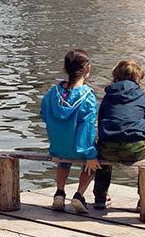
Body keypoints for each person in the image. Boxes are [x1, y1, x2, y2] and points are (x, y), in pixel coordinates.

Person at [40, 49, 100, 212]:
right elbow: (87, 129)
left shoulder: (52, 94)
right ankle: (79, 195)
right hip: (80, 150)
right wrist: (91, 155)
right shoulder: (88, 96)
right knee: (92, 163)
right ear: (87, 68)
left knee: (63, 161)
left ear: (65, 69)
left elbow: (44, 114)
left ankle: (59, 193)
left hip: (57, 148)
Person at [94, 59, 145, 211]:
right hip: (135, 148)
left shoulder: (108, 96)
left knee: (101, 155)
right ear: (138, 78)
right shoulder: (143, 97)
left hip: (109, 149)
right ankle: (144, 198)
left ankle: (100, 198)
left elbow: (101, 122)